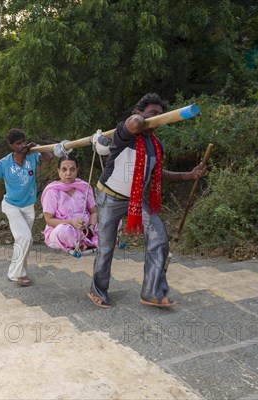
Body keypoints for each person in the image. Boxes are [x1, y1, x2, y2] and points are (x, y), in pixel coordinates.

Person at [89, 93, 206, 308]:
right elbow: (134, 124)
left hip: (136, 199)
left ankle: (151, 291)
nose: (157, 119)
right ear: (138, 112)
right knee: (106, 245)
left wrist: (189, 175)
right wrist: (143, 119)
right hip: (109, 196)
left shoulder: (155, 145)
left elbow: (158, 173)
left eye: (160, 116)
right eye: (153, 114)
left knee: (159, 235)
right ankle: (97, 289)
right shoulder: (123, 134)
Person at [0, 128, 54, 286]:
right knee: (25, 237)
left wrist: (39, 148)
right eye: (18, 143)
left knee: (23, 241)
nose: (22, 145)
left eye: (23, 141)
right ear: (11, 145)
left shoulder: (32, 155)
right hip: (11, 206)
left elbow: (48, 157)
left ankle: (15, 272)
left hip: (28, 206)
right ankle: (19, 274)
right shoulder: (4, 163)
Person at [41, 154, 98, 255]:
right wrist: (71, 222)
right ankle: (85, 243)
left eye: (72, 169)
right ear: (58, 170)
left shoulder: (84, 187)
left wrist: (91, 227)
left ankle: (87, 241)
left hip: (86, 230)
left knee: (113, 221)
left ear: (77, 170)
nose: (68, 173)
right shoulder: (52, 191)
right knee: (64, 231)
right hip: (64, 229)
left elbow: (93, 212)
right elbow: (49, 221)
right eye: (64, 169)